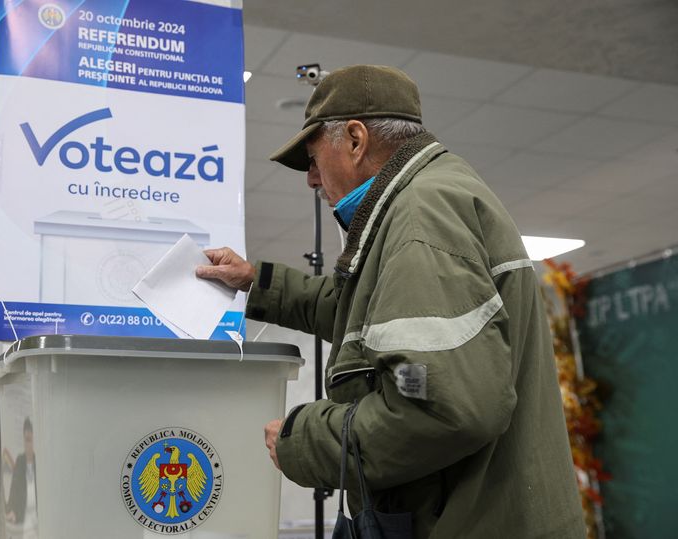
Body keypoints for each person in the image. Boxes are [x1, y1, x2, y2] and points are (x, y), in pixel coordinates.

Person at [196, 65, 584, 537]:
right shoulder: (434, 199)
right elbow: (366, 314)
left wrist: (305, 440)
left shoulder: (421, 220)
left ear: (356, 140)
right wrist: (257, 283)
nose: (312, 181)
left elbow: (445, 410)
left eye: (315, 159)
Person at [6, 417, 38, 538]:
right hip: (23, 516)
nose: (28, 444)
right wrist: (10, 510)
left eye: (30, 440)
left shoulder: (40, 462)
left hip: (38, 517)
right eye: (26, 440)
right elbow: (14, 489)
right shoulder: (20, 461)